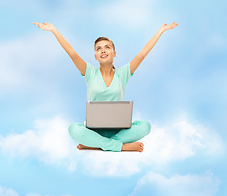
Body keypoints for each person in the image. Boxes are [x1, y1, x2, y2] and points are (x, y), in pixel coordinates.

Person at [33, 21, 178, 152]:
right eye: (98, 49)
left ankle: (96, 145)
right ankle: (119, 146)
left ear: (114, 54)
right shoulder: (89, 72)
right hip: (93, 131)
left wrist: (160, 31)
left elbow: (143, 53)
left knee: (145, 126)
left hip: (118, 131)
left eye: (107, 47)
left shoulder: (123, 74)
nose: (103, 50)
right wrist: (54, 30)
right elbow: (71, 52)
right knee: (73, 129)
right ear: (95, 56)